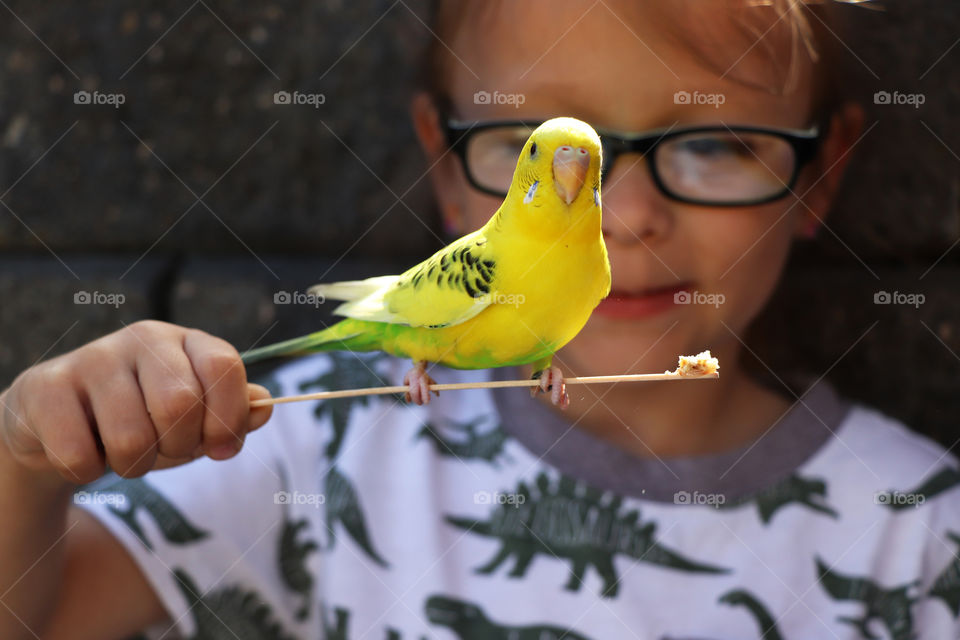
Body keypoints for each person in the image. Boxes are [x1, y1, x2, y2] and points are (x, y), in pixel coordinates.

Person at [2, 1, 958, 638]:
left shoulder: (921, 531)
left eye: (713, 144)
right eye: (526, 148)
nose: (625, 218)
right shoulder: (310, 445)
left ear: (821, 174)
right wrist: (24, 460)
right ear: (447, 168)